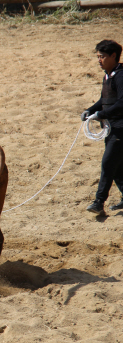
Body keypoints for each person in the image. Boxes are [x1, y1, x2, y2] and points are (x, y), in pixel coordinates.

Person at [82, 40, 123, 215]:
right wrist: (90, 110)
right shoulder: (108, 75)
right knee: (117, 166)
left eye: (102, 57)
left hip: (121, 128)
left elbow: (122, 103)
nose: (99, 60)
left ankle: (99, 202)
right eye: (98, 57)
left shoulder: (121, 75)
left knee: (108, 163)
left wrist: (101, 115)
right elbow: (104, 101)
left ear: (113, 56)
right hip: (111, 128)